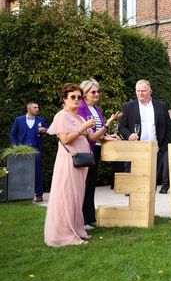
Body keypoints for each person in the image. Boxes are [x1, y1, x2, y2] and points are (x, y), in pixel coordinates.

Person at [45, 83, 118, 246]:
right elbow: (65, 139)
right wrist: (82, 128)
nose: (77, 100)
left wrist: (107, 124)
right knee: (67, 196)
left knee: (77, 197)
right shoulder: (61, 116)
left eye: (79, 97)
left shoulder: (80, 117)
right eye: (73, 97)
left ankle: (77, 230)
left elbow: (92, 138)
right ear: (64, 99)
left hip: (81, 162)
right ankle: (65, 234)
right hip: (68, 161)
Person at [76, 79, 120, 228]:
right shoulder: (81, 108)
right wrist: (103, 132)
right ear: (85, 94)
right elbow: (87, 132)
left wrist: (107, 136)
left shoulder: (97, 109)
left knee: (90, 184)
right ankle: (82, 219)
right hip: (85, 150)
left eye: (98, 91)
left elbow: (98, 131)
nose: (96, 94)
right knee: (85, 185)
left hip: (96, 149)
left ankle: (89, 218)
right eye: (93, 92)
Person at [118, 79, 171, 193]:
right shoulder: (128, 107)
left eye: (143, 91)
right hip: (136, 148)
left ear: (150, 91)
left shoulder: (161, 106)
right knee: (137, 180)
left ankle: (149, 202)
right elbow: (122, 127)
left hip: (157, 149)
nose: (140, 93)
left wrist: (164, 145)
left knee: (152, 181)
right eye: (138, 91)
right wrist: (128, 135)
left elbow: (169, 127)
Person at [10, 101, 49, 202]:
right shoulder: (18, 120)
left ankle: (39, 194)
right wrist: (16, 148)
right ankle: (22, 195)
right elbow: (13, 135)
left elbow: (49, 130)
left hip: (36, 150)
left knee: (37, 172)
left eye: (38, 107)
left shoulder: (41, 120)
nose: (37, 109)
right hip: (22, 151)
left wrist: (45, 130)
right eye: (35, 107)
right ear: (29, 109)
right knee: (21, 172)